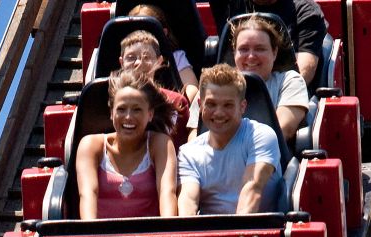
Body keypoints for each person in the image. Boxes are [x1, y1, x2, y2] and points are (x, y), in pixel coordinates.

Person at [178, 64, 281, 215]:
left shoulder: (261, 136)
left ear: (242, 107)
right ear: (200, 105)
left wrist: (236, 236)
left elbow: (252, 189)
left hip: (256, 232)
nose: (219, 113)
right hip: (209, 233)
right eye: (211, 104)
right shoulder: (188, 153)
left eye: (228, 105)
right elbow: (188, 201)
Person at [186, 15, 308, 142]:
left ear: (274, 52)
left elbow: (283, 130)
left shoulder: (290, 81)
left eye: (260, 49)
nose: (251, 56)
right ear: (234, 53)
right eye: (243, 49)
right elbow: (195, 135)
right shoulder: (210, 84)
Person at [76, 69, 178, 219]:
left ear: (150, 114)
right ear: (111, 113)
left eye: (137, 110)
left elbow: (167, 192)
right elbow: (87, 194)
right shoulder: (91, 145)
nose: (128, 117)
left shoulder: (160, 143)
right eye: (121, 109)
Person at [210, 0, 327, 85]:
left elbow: (303, 74)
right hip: (231, 94)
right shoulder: (228, 5)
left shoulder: (305, 12)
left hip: (285, 96)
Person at [119, 30, 190, 147]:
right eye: (131, 58)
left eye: (146, 57)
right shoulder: (109, 100)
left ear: (158, 61)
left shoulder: (176, 102)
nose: (138, 63)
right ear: (122, 62)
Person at [128, 4, 199, 102]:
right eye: (135, 32)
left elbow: (192, 87)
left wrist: (174, 105)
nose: (141, 38)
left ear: (163, 33)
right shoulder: (125, 58)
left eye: (147, 32)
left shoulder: (175, 57)